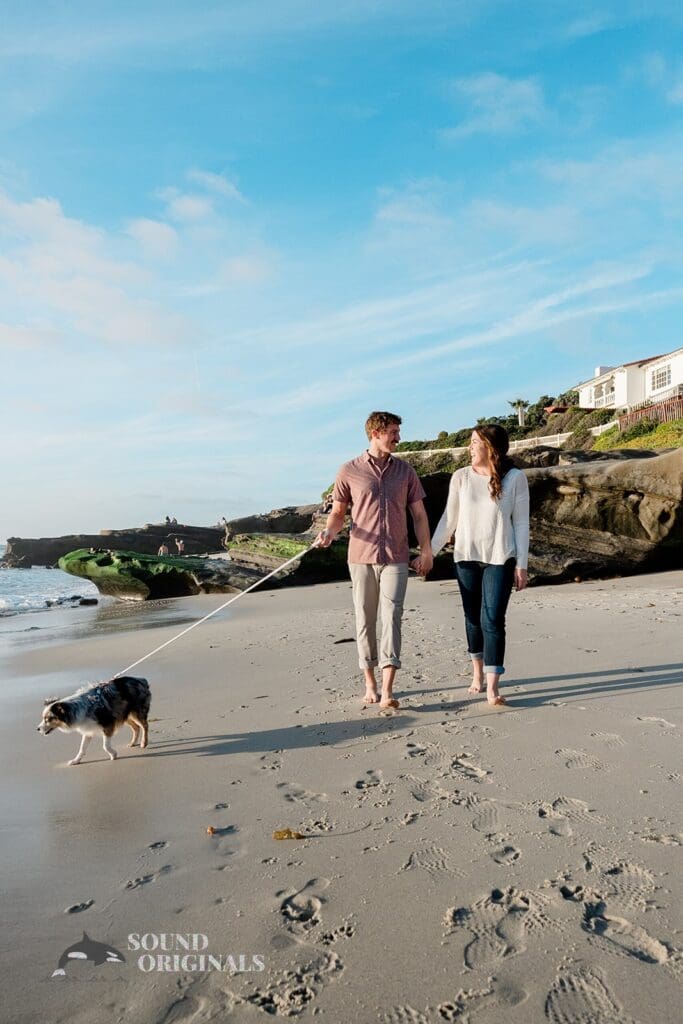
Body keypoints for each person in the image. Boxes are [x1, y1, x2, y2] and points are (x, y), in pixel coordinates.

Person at [317, 411, 433, 709]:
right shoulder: (348, 470)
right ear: (375, 433)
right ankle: (369, 682)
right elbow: (338, 513)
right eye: (393, 432)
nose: (398, 437)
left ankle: (388, 689)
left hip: (396, 555)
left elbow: (418, 515)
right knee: (365, 620)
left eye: (398, 431)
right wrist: (329, 533)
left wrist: (426, 550)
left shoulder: (405, 471)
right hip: (361, 556)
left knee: (392, 616)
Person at [415, 424, 529, 706]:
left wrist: (522, 564)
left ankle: (492, 685)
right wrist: (429, 553)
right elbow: (448, 519)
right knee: (472, 618)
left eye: (474, 442)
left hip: (500, 557)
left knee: (492, 619)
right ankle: (476, 673)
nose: (469, 447)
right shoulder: (461, 477)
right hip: (465, 556)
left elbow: (521, 523)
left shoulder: (515, 478)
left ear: (490, 446)